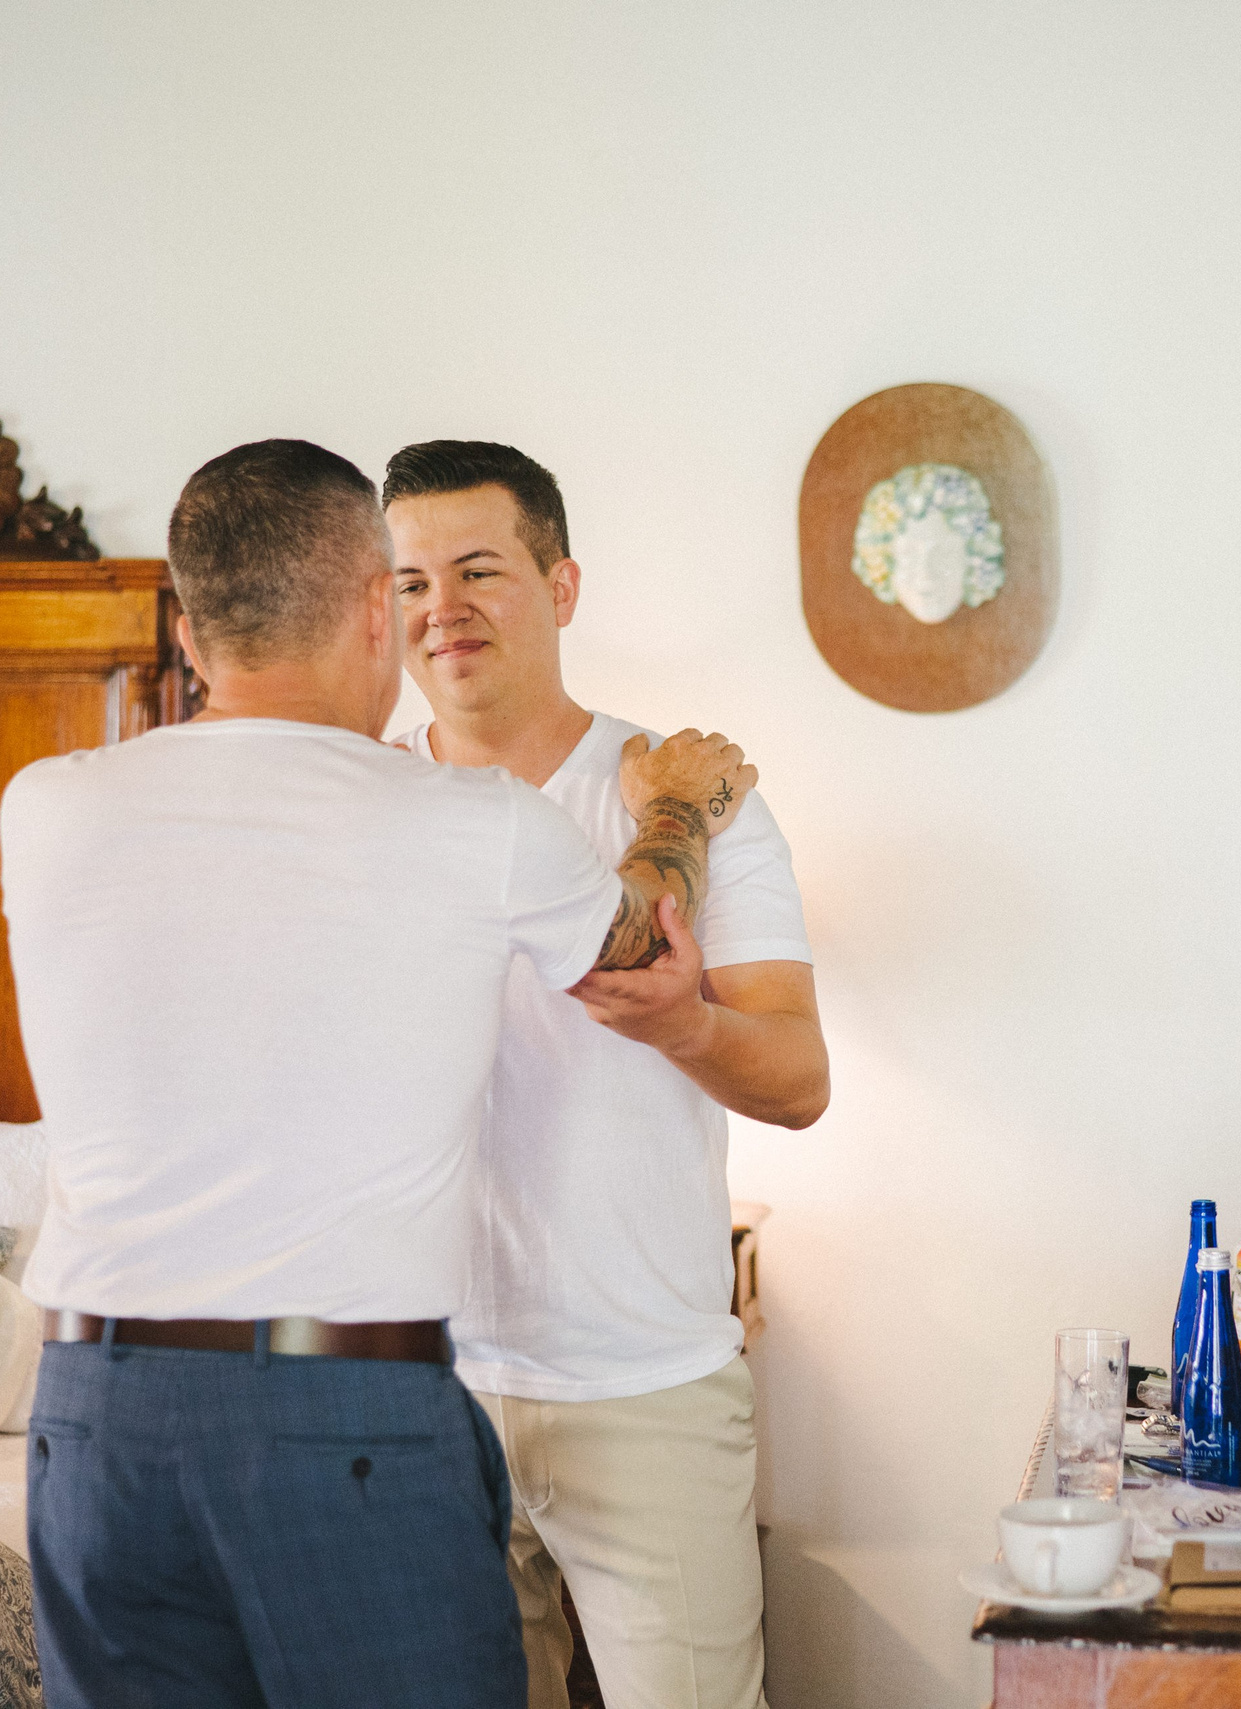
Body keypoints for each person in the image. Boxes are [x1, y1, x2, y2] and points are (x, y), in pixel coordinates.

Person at [0, 438, 757, 1709]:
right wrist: (675, 809)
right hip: (338, 1412)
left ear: (190, 632)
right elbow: (644, 951)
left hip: (91, 1417)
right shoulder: (472, 825)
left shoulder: (46, 805)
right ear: (372, 608)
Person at [382, 440, 828, 1709]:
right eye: (410, 581)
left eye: (478, 570)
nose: (440, 610)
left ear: (563, 584)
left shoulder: (690, 794)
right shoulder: (361, 809)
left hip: (647, 1385)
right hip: (422, 1400)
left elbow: (798, 1076)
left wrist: (681, 1020)